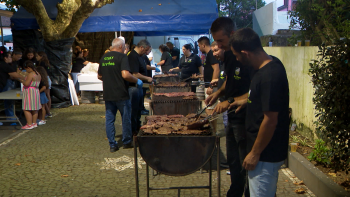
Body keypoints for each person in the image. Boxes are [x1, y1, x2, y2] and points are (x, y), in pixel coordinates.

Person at [228, 28, 290, 197]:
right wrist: (244, 101)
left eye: (236, 55)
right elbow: (260, 97)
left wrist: (255, 154)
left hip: (265, 154)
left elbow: (271, 120)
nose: (237, 59)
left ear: (245, 53)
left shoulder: (270, 76)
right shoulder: (266, 67)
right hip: (261, 152)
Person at [206, 17, 253, 197]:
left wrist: (230, 102)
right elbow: (230, 81)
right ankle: (235, 190)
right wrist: (218, 94)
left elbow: (253, 90)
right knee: (233, 161)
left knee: (243, 161)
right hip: (232, 117)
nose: (217, 46)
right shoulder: (230, 55)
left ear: (232, 34)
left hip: (244, 118)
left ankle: (247, 192)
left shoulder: (244, 55)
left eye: (220, 41)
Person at [98, 38, 139, 152]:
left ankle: (112, 144)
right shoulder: (122, 57)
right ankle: (126, 142)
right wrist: (136, 80)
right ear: (121, 47)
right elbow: (125, 75)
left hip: (108, 93)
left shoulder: (104, 57)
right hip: (121, 93)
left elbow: (99, 76)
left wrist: (110, 78)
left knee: (109, 119)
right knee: (125, 118)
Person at [127, 40, 153, 137]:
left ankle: (137, 128)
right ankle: (132, 131)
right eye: (146, 50)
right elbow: (135, 73)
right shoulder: (132, 56)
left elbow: (143, 67)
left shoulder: (140, 56)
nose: (146, 53)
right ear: (141, 47)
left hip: (139, 88)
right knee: (133, 111)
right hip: (133, 88)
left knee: (138, 110)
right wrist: (147, 78)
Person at [198, 36, 220, 132]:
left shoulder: (211, 54)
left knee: (209, 109)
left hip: (211, 86)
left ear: (203, 45)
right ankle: (212, 130)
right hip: (208, 84)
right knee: (209, 109)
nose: (199, 48)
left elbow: (217, 69)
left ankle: (213, 131)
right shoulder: (209, 54)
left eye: (199, 46)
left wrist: (211, 86)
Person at [0, 50, 25, 126]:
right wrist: (27, 77)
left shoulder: (5, 64)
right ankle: (10, 118)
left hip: (3, 85)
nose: (11, 58)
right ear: (5, 58)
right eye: (10, 57)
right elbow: (15, 75)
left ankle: (11, 117)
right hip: (2, 85)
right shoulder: (4, 65)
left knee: (8, 100)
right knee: (8, 100)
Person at [18, 61, 41, 130]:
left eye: (26, 69)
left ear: (28, 68)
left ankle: (29, 124)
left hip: (29, 92)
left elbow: (27, 84)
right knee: (35, 108)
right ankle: (34, 123)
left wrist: (21, 80)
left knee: (26, 108)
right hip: (36, 91)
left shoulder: (31, 74)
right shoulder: (38, 74)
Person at [36, 51, 52, 118]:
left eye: (37, 56)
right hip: (47, 79)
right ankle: (48, 111)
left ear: (41, 56)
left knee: (44, 97)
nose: (36, 57)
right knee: (47, 96)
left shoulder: (42, 63)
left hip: (45, 79)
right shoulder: (46, 62)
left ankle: (47, 112)